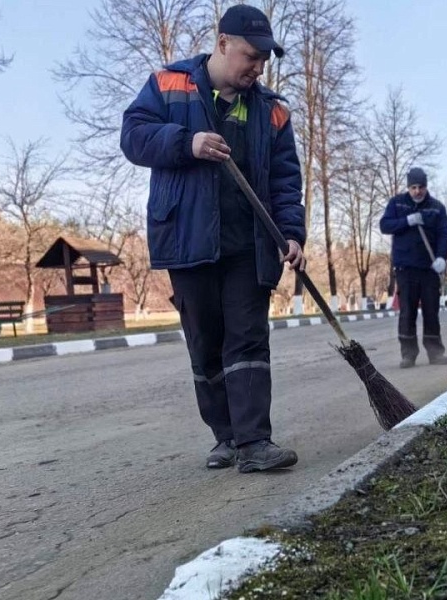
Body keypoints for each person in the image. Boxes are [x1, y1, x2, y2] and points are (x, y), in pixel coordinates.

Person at [120, 5, 305, 473]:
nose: (258, 66)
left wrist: (292, 234)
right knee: (205, 344)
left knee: (247, 340)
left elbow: (286, 182)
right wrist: (188, 143)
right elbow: (133, 136)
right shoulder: (169, 85)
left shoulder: (273, 110)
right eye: (251, 55)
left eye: (264, 59)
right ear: (222, 44)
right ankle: (226, 436)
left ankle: (255, 442)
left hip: (248, 245)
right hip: (188, 239)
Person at [380, 167, 447, 368]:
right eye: (413, 187)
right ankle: (408, 355)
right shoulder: (397, 204)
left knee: (431, 311)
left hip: (430, 269)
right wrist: (407, 221)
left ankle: (436, 353)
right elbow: (385, 225)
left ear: (426, 186)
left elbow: (444, 235)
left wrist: (441, 258)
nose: (417, 191)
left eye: (421, 187)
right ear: (408, 187)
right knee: (407, 312)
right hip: (406, 268)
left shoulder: (436, 208)